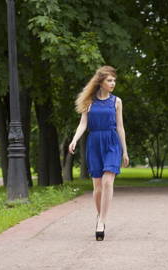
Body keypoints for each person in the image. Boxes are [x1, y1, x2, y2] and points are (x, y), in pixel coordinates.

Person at [68, 65, 129, 241]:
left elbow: (120, 127)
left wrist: (124, 151)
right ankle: (99, 215)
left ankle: (101, 221)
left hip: (111, 143)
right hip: (94, 142)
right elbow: (83, 124)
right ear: (100, 82)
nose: (113, 83)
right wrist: (74, 140)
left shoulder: (117, 101)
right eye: (109, 80)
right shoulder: (90, 102)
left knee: (108, 182)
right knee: (97, 187)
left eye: (114, 80)